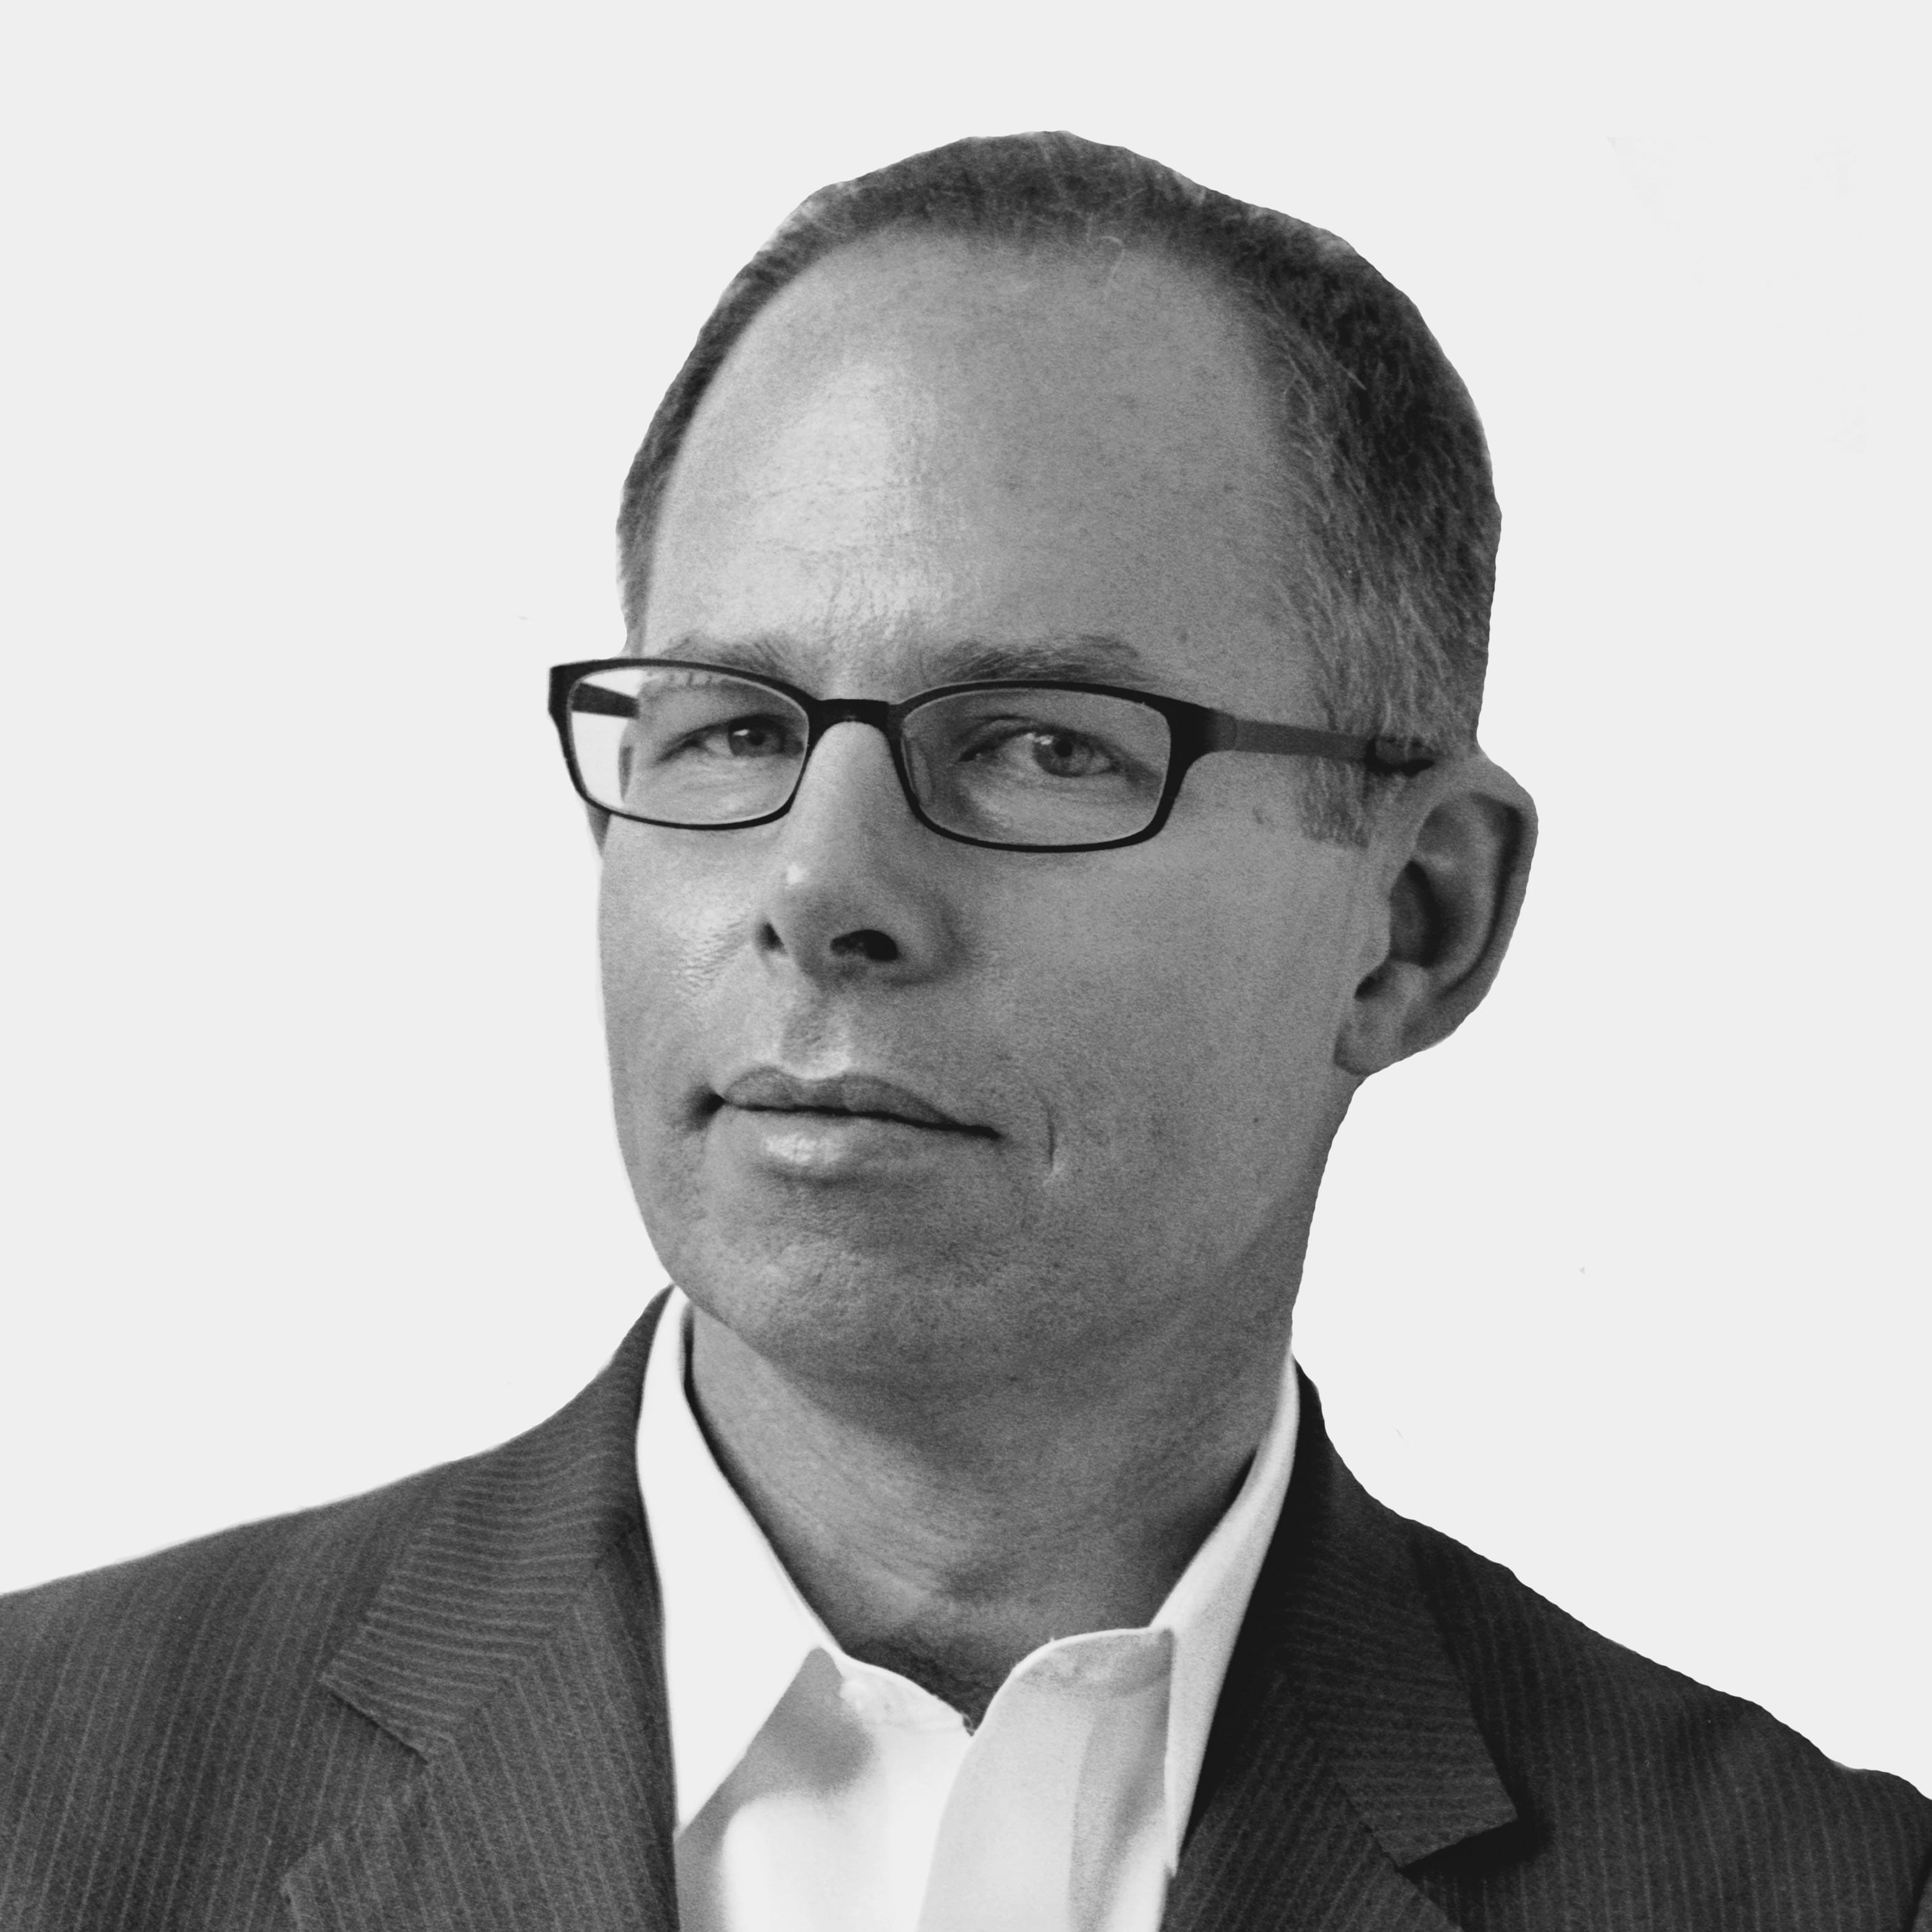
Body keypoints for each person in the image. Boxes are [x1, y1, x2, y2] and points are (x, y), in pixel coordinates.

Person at [1, 130, 1925, 1932]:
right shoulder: (38, 1786)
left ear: (1410, 923)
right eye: (734, 725)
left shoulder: (1812, 1893)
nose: (818, 882)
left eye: (1039, 746)